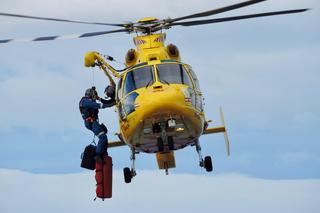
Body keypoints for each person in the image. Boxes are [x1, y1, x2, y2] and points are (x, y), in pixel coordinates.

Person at [79, 86, 116, 163]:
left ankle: (103, 153)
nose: (94, 98)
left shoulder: (88, 101)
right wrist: (112, 104)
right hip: (91, 122)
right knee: (103, 137)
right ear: (90, 95)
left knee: (104, 132)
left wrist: (102, 100)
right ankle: (98, 155)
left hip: (92, 122)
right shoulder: (85, 101)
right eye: (93, 96)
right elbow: (98, 105)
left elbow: (102, 103)